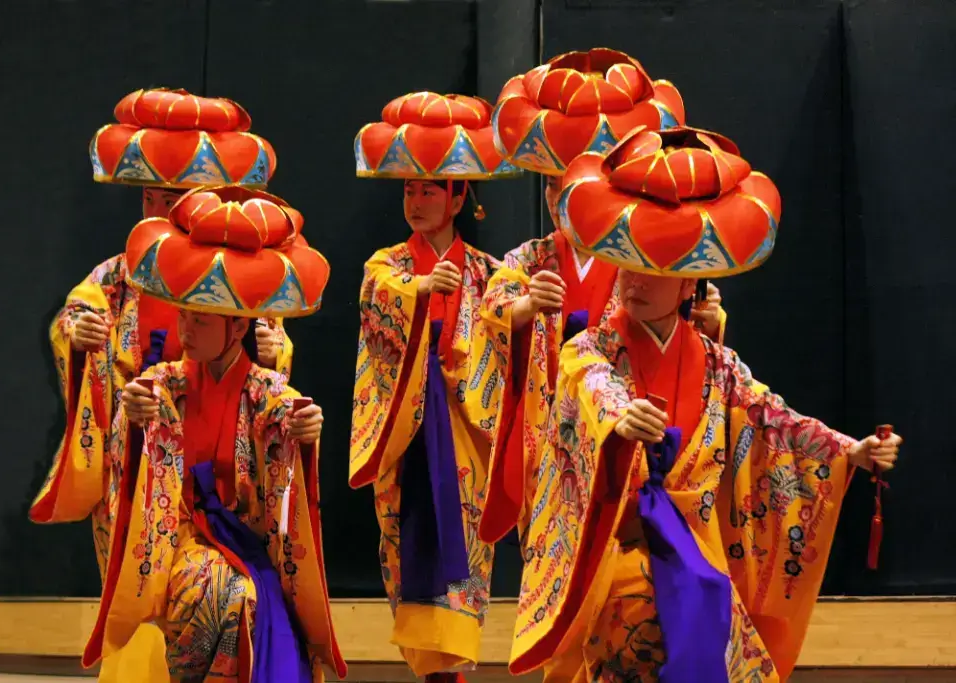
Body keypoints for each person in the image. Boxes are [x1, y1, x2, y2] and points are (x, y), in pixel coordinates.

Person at [508, 126, 902, 682]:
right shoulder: (593, 347)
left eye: (654, 271)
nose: (634, 283)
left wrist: (851, 450)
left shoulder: (718, 364)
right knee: (644, 627)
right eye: (628, 266)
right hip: (621, 545)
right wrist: (620, 418)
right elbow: (594, 385)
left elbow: (775, 419)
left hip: (698, 544)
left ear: (689, 283)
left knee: (721, 640)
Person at [28, 88, 287, 682]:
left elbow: (269, 346)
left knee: (223, 594)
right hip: (140, 452)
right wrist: (80, 333)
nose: (159, 207)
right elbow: (75, 315)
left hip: (219, 453)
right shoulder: (118, 277)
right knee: (137, 591)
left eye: (173, 197)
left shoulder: (233, 277)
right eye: (151, 195)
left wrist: (275, 351)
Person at [81, 185, 345, 683]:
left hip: (245, 542)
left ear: (238, 326)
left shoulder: (263, 389)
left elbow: (288, 418)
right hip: (176, 540)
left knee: (241, 599)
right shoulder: (166, 383)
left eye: (199, 320)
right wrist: (133, 419)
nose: (185, 330)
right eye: (183, 315)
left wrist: (305, 431)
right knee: (222, 594)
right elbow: (139, 415)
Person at [477, 48, 726, 546]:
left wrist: (706, 319)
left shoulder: (640, 261)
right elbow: (494, 303)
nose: (559, 201)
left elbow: (684, 338)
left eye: (571, 190)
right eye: (551, 189)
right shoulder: (530, 258)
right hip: (553, 426)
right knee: (552, 551)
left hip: (628, 424)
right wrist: (523, 308)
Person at [349, 91, 521, 681]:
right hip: (408, 434)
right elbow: (378, 311)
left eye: (429, 189)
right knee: (407, 550)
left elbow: (505, 330)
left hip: (465, 437)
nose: (416, 201)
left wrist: (517, 317)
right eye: (409, 189)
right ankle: (429, 672)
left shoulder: (490, 273)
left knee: (463, 563)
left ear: (458, 195)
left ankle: (450, 673)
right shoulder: (386, 266)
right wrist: (419, 293)